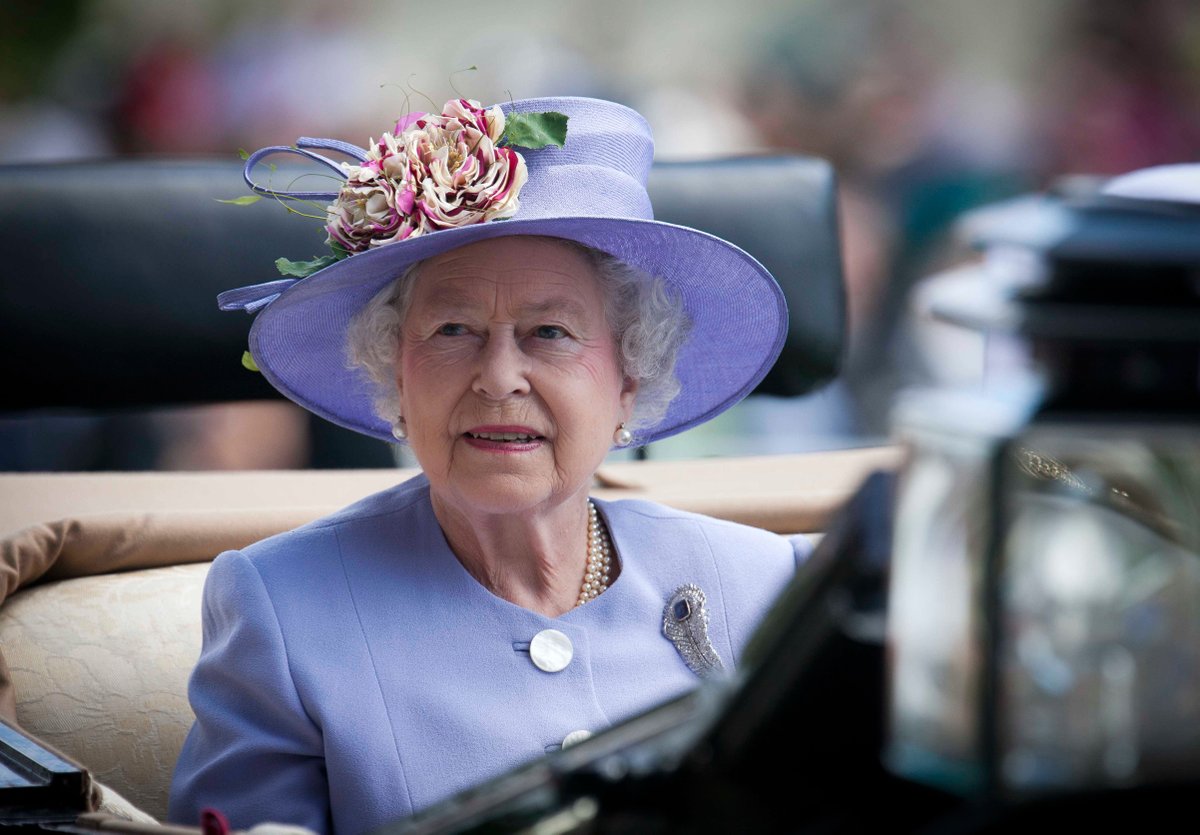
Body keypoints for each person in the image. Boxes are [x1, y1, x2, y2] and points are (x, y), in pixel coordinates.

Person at [169, 96, 809, 834]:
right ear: (396, 376)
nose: (499, 376)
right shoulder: (282, 612)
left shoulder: (765, 585)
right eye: (453, 329)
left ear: (629, 375)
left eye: (549, 330)